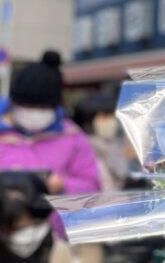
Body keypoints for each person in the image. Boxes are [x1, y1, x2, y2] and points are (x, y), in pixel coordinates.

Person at [0, 51, 101, 196]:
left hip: (54, 209)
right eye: (26, 106)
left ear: (55, 107)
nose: (33, 113)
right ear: (13, 104)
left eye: (42, 107)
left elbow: (92, 185)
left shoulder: (71, 136)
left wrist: (62, 185)